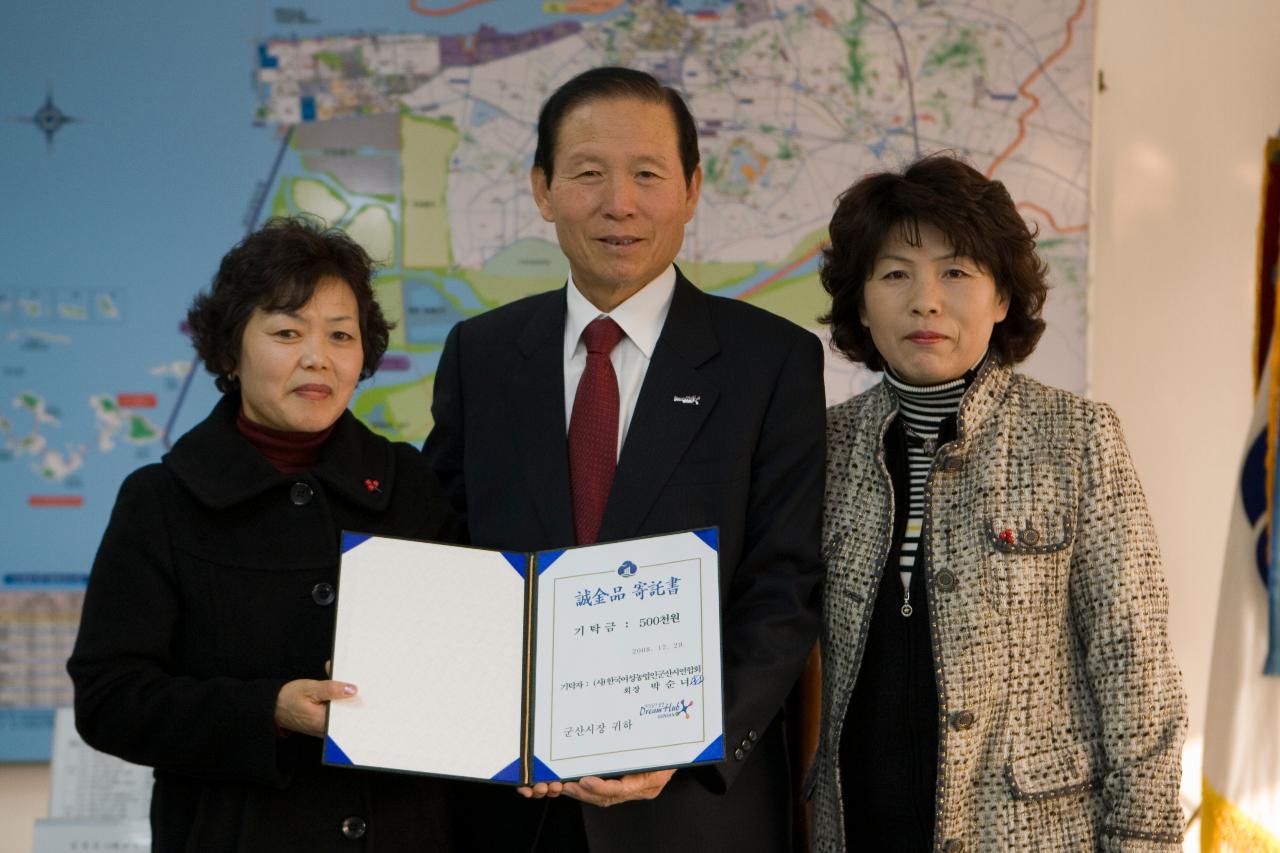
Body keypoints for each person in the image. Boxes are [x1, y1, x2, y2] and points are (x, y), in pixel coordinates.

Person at [423, 66, 825, 853]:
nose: (620, 203)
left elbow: (785, 585)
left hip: (698, 810)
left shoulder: (769, 361)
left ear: (691, 189)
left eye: (647, 174)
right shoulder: (482, 354)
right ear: (542, 190)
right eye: (588, 174)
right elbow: (448, 550)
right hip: (512, 806)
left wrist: (693, 741)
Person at [807, 155, 1188, 850]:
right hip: (858, 827)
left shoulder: (1076, 438)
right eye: (895, 273)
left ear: (1003, 296)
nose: (927, 299)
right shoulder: (822, 448)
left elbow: (1137, 667)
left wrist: (1144, 841)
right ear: (861, 303)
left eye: (957, 271)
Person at [67, 217, 458, 852]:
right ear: (229, 351)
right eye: (285, 332)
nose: (317, 357)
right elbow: (110, 699)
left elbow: (468, 656)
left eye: (340, 335)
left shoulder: (410, 486)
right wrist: (267, 710)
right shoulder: (161, 501)